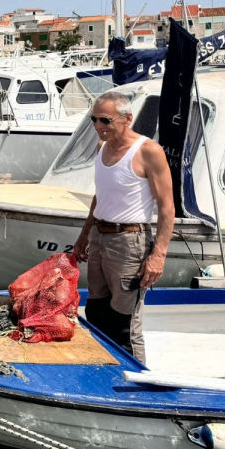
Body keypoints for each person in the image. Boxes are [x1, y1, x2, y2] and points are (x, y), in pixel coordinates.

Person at [72, 91, 175, 364]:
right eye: (94, 120)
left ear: (128, 118)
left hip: (130, 240)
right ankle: (103, 367)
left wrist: (158, 255)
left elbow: (167, 207)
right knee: (96, 310)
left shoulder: (147, 151)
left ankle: (137, 379)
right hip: (100, 237)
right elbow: (100, 195)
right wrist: (84, 235)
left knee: (124, 322)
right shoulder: (101, 147)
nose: (98, 127)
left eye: (105, 120)